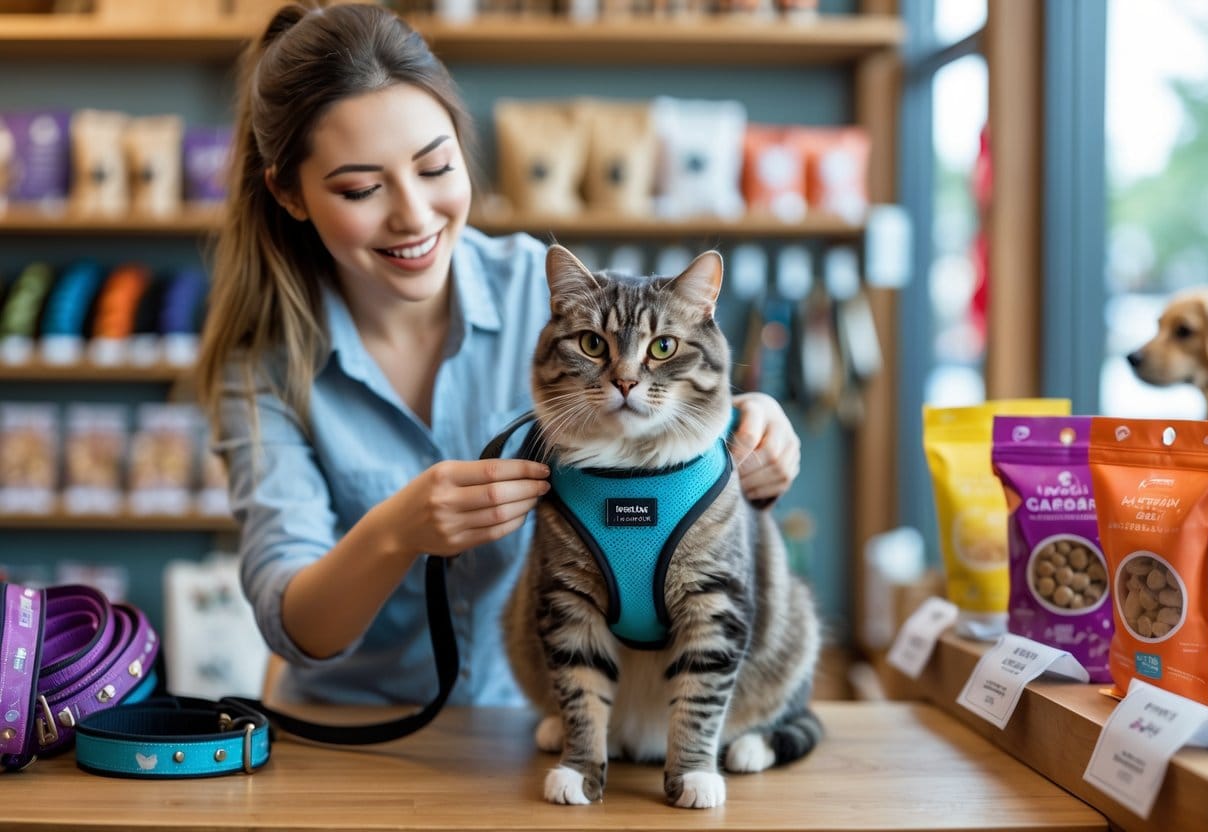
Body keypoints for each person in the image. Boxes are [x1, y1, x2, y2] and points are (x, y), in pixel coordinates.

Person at [196, 1, 803, 708]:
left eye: (436, 167)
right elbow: (293, 623)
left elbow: (651, 360)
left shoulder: (545, 295)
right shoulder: (263, 368)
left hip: (534, 727)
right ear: (289, 194)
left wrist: (744, 423)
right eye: (361, 188)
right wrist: (395, 532)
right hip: (352, 737)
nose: (413, 216)